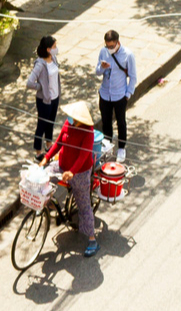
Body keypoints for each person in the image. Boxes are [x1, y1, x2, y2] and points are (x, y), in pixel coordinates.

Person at [42, 101, 102, 256]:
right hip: (62, 165)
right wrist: (47, 157)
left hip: (80, 172)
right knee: (42, 178)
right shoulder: (67, 125)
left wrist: (73, 172)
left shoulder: (88, 133)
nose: (71, 118)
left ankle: (92, 240)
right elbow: (58, 143)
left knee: (84, 206)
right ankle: (54, 207)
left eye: (74, 117)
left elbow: (83, 157)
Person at [97, 29, 137, 162]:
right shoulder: (103, 52)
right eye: (107, 46)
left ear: (118, 43)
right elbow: (97, 71)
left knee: (121, 122)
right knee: (106, 121)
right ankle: (107, 145)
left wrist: (128, 94)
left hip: (119, 95)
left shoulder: (128, 55)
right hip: (105, 94)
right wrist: (102, 67)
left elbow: (133, 77)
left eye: (112, 46)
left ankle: (121, 147)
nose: (109, 49)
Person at [26, 35, 61, 153]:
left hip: (55, 97)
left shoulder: (54, 58)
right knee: (42, 125)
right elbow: (30, 82)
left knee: (50, 123)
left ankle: (49, 144)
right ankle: (38, 151)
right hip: (45, 100)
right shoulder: (40, 64)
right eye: (54, 47)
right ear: (48, 49)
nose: (56, 49)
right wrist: (40, 87)